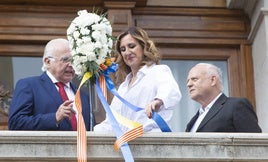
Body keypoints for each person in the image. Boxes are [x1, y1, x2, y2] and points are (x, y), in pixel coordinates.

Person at [94, 26, 182, 132]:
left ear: (143, 46)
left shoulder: (158, 71)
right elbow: (112, 121)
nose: (127, 52)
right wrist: (88, 133)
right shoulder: (123, 87)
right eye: (123, 49)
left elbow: (171, 91)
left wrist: (157, 101)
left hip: (153, 141)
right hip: (128, 144)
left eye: (131, 46)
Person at [8, 38, 95, 130]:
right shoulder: (29, 86)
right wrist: (54, 118)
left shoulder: (82, 95)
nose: (70, 65)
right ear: (48, 62)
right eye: (65, 59)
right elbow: (15, 123)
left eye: (73, 61)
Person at [185, 63, 262, 132]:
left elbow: (255, 143)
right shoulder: (193, 121)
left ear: (213, 80)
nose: (189, 84)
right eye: (188, 81)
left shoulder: (236, 106)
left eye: (194, 79)